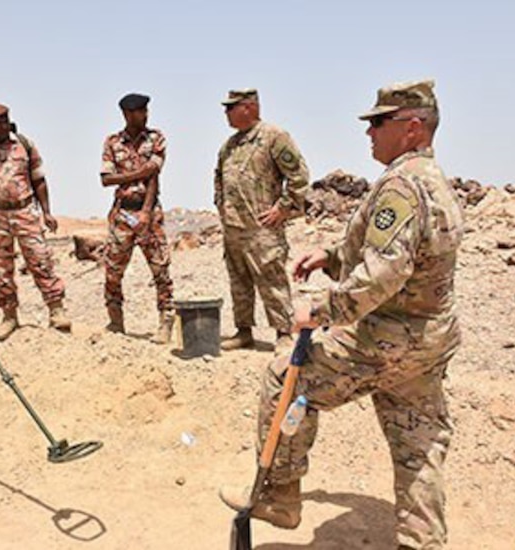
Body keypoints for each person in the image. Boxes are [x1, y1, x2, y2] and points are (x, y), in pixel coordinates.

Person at [219, 79, 463, 550]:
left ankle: (280, 496)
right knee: (420, 444)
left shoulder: (402, 185)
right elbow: (406, 252)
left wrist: (322, 307)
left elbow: (383, 274)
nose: (369, 132)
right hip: (430, 339)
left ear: (412, 128)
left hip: (387, 338)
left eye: (378, 122)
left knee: (284, 378)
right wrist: (331, 256)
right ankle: (423, 540)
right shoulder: (433, 181)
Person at [214, 88, 310, 354]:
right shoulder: (229, 145)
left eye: (231, 107)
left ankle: (284, 333)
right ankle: (244, 332)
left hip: (262, 229)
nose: (226, 113)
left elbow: (299, 176)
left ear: (249, 107)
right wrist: (222, 208)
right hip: (234, 228)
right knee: (239, 282)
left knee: (272, 280)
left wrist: (283, 208)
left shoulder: (273, 137)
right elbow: (219, 179)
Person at [0, 103, 71, 341]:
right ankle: (9, 316)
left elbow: (39, 179)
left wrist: (47, 212)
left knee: (40, 259)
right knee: (0, 269)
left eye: (5, 121)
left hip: (25, 211)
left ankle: (56, 310)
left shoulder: (24, 144)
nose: (2, 126)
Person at [100, 93, 175, 342]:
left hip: (149, 211)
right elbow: (105, 179)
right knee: (113, 270)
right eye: (140, 112)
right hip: (121, 213)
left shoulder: (155, 138)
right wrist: (137, 174)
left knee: (160, 269)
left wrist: (145, 211)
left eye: (146, 110)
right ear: (127, 114)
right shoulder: (112, 142)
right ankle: (115, 321)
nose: (145, 115)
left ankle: (165, 322)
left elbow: (154, 174)